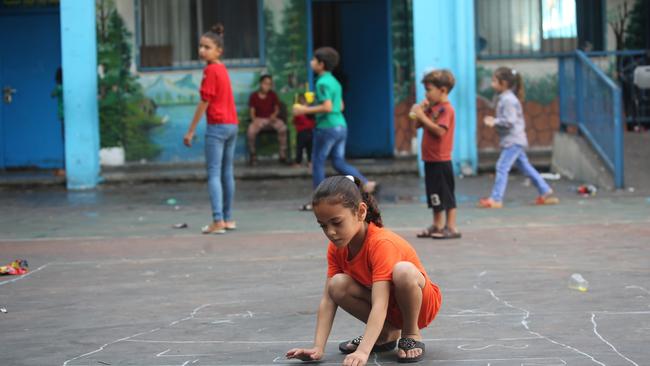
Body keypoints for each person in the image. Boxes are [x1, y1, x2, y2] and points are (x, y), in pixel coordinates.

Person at [285, 175, 442, 365]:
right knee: (337, 285)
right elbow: (328, 300)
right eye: (323, 225)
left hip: (419, 305)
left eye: (337, 222)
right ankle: (386, 333)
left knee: (403, 271)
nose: (330, 232)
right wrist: (318, 347)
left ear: (360, 212)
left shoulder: (381, 243)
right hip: (389, 308)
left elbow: (380, 303)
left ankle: (410, 333)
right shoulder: (336, 248)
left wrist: (363, 351)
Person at [293, 47, 376, 211]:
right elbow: (340, 105)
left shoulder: (322, 82)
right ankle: (365, 183)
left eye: (314, 60)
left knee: (317, 162)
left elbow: (328, 106)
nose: (311, 62)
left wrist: (303, 110)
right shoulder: (334, 81)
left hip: (327, 127)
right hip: (340, 125)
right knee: (338, 161)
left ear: (321, 64)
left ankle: (318, 201)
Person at [183, 24, 238, 234]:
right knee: (227, 172)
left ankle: (218, 220)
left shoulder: (210, 70)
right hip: (232, 125)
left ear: (218, 50)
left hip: (217, 126)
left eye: (207, 47)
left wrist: (190, 130)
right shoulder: (222, 69)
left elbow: (204, 102)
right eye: (200, 46)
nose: (202, 50)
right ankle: (228, 218)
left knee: (214, 173)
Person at [479, 67, 559, 208]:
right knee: (525, 166)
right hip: (514, 140)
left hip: (513, 140)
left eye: (494, 81)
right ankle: (545, 190)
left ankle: (496, 198)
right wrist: (496, 120)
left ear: (503, 83)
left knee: (502, 167)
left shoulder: (508, 100)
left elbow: (509, 121)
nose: (492, 84)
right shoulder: (505, 98)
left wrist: (494, 121)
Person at [411, 70, 461, 239]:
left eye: (429, 89)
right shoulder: (433, 108)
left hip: (441, 159)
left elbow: (440, 131)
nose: (426, 93)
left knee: (446, 193)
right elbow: (418, 124)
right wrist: (422, 111)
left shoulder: (446, 110)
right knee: (434, 194)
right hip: (429, 158)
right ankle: (437, 224)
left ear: (443, 90)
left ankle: (451, 227)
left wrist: (422, 117)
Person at [247, 75, 288, 165]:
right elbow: (252, 111)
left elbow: (277, 109)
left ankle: (282, 154)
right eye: (265, 83)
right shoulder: (254, 96)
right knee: (251, 131)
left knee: (283, 128)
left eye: (269, 84)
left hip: (271, 119)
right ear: (261, 84)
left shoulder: (273, 95)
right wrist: (254, 120)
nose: (267, 86)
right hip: (259, 119)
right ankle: (253, 155)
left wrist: (274, 115)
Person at [292, 94, 315, 168]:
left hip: (303, 132)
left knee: (301, 148)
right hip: (308, 132)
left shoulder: (299, 111)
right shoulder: (308, 110)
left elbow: (294, 121)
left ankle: (299, 163)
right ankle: (309, 163)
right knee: (308, 148)